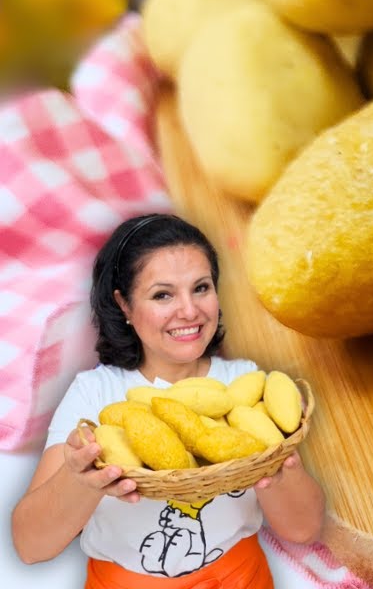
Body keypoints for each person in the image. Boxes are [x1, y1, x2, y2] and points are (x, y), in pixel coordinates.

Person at [10, 213, 326, 588]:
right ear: (124, 305)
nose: (189, 311)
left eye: (201, 288)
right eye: (163, 295)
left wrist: (280, 465)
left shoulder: (247, 388)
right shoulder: (96, 395)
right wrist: (82, 481)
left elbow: (303, 530)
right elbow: (31, 547)